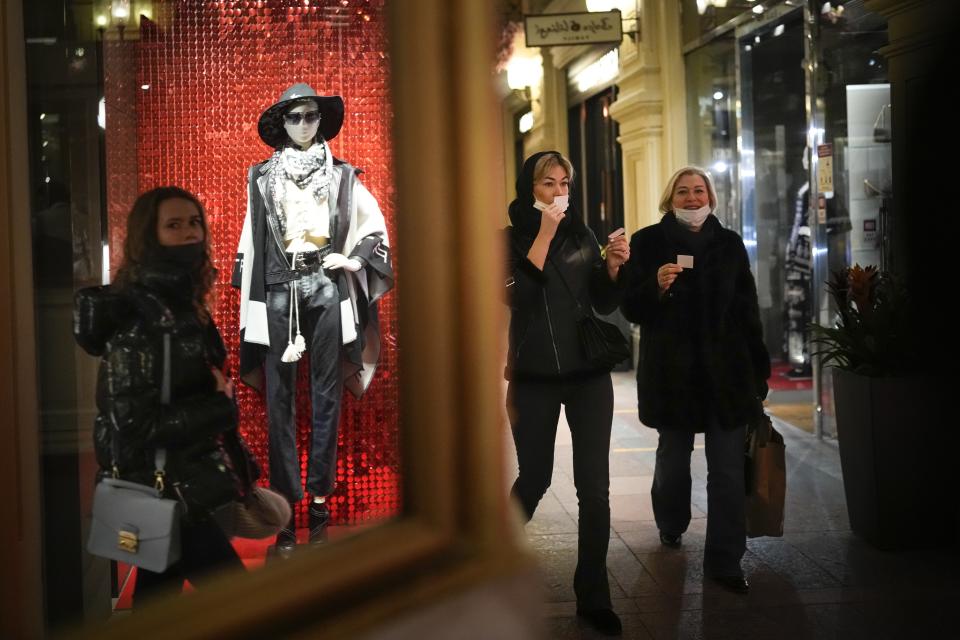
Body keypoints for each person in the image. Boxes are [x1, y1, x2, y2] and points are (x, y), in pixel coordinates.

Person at [232, 83, 393, 556]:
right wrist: (254, 297)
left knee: (327, 399)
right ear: (282, 124)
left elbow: (373, 227)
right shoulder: (262, 176)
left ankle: (319, 511)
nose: (303, 124)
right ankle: (284, 516)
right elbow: (251, 238)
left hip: (325, 287)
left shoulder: (343, 176)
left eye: (310, 116)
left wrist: (354, 262)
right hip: (279, 290)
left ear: (320, 120)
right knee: (279, 402)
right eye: (294, 117)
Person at [74, 186, 246, 607]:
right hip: (166, 491)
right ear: (148, 237)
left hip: (179, 484)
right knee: (244, 602)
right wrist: (219, 406)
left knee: (157, 600)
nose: (191, 233)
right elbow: (135, 423)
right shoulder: (142, 317)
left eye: (194, 222)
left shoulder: (180, 304)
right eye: (174, 224)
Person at [620, 166, 770, 594]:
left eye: (698, 190)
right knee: (673, 458)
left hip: (727, 373)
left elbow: (748, 310)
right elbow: (631, 307)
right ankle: (671, 521)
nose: (691, 198)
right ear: (670, 200)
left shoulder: (730, 244)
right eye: (682, 192)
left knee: (726, 471)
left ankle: (724, 561)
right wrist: (656, 288)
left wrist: (758, 368)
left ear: (711, 197)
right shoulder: (648, 242)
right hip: (673, 375)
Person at [503, 151, 629, 636]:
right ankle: (494, 560)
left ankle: (594, 595)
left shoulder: (583, 233)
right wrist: (546, 232)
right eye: (546, 183)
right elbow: (518, 295)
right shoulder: (509, 238)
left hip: (587, 375)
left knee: (594, 491)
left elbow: (600, 299)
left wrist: (614, 268)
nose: (558, 193)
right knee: (534, 480)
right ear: (528, 187)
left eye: (563, 183)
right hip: (533, 377)